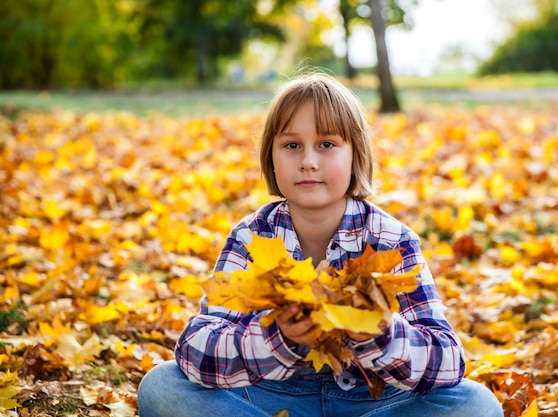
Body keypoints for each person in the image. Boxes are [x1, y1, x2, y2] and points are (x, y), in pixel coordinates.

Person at [137, 72, 503, 417]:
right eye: (292, 145)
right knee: (162, 386)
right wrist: (277, 338)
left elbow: (449, 360)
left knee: (477, 405)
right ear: (272, 158)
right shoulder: (253, 236)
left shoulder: (390, 239)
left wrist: (381, 336)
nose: (308, 162)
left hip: (374, 400)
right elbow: (195, 349)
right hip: (272, 396)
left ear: (355, 155)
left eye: (327, 144)